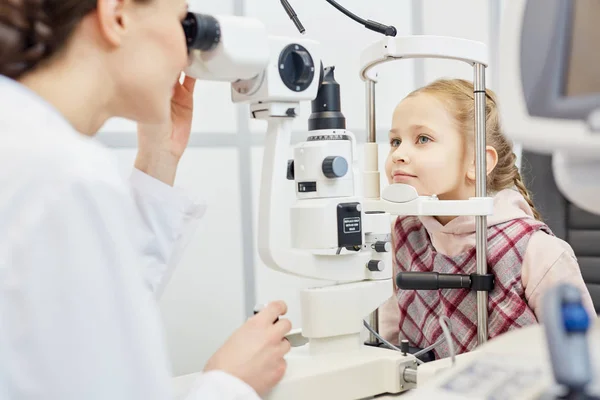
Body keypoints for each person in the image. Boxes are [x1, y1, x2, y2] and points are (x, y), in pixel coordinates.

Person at [0, 0, 291, 398]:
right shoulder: (62, 174)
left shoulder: (24, 142)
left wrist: (159, 158)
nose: (189, 52)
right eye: (181, 22)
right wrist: (230, 383)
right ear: (116, 15)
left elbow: (83, 329)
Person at [378, 79, 595, 359]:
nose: (399, 154)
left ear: (477, 163)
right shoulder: (405, 233)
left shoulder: (537, 251)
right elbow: (389, 339)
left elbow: (585, 356)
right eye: (395, 141)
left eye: (423, 139)